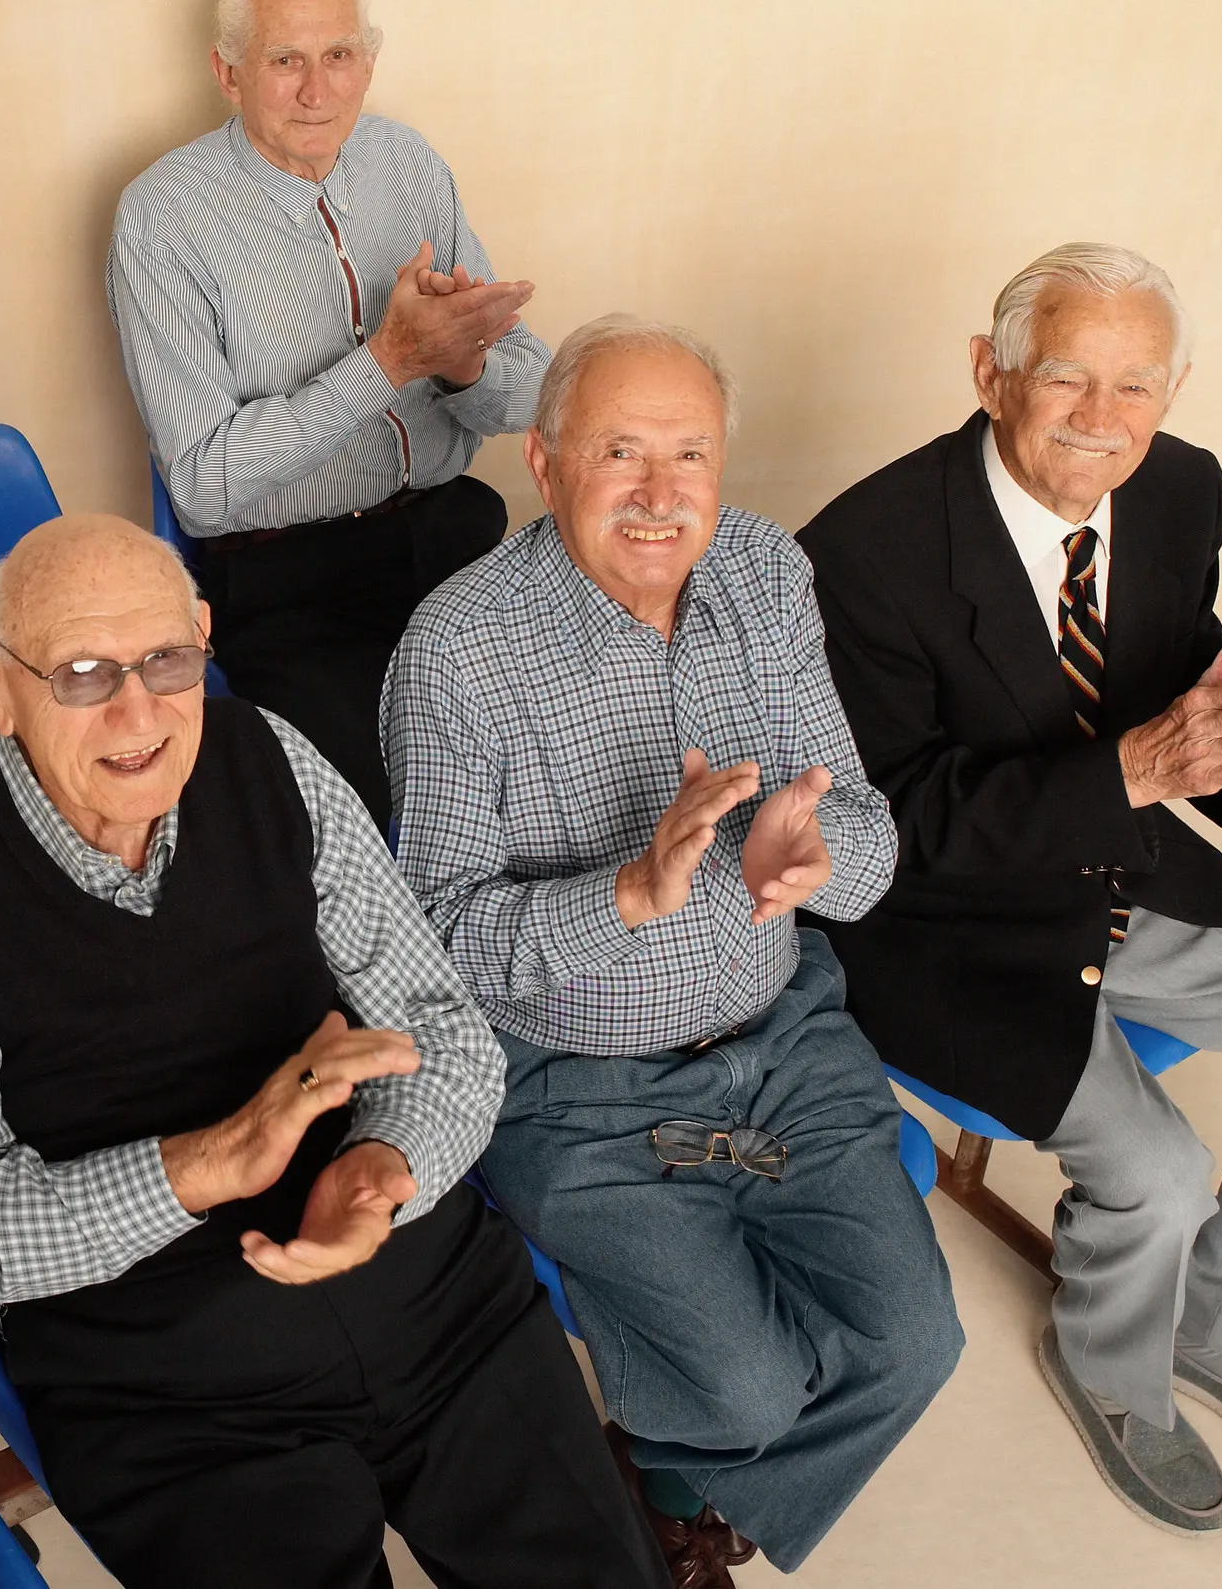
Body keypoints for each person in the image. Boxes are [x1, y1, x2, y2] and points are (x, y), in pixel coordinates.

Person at [0, 513, 665, 1589]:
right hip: (165, 1381)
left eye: (166, 661)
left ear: (203, 636)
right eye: (83, 673)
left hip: (421, 1290)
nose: (138, 713)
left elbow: (446, 1034)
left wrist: (380, 1172)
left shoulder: (271, 756)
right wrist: (201, 1166)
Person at [799, 244, 1222, 1534]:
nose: (1102, 420)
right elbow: (882, 825)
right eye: (1066, 377)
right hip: (938, 926)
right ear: (989, 371)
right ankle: (1109, 1368)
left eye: (1137, 385)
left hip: (1126, 875)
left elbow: (1172, 689)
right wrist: (1130, 769)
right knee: (1160, 1173)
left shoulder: (1180, 489)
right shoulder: (858, 553)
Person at [384, 316, 964, 1586]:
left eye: (689, 455)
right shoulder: (456, 649)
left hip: (783, 1033)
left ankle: (668, 1483)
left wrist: (817, 861)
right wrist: (628, 894)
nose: (660, 496)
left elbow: (859, 824)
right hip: (572, 1077)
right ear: (542, 463)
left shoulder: (764, 571)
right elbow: (430, 949)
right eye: (619, 455)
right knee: (752, 1385)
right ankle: (675, 1476)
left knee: (918, 1343)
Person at [107, 0, 544, 824]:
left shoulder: (409, 165)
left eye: (340, 55)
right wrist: (388, 364)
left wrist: (461, 361)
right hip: (290, 584)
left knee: (556, 755)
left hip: (446, 535)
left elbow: (534, 395)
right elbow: (204, 490)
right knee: (404, 810)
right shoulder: (161, 220)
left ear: (368, 60)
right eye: (286, 61)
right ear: (228, 74)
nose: (319, 90)